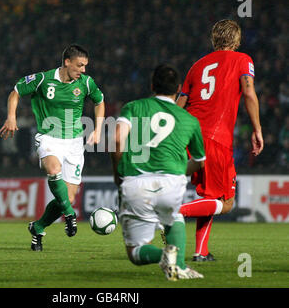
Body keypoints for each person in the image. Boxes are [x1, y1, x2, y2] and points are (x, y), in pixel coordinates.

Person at [0, 44, 105, 251]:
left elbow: (99, 101)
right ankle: (70, 213)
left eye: (85, 66)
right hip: (48, 137)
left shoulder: (86, 82)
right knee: (53, 170)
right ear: (67, 62)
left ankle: (38, 227)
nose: (83, 70)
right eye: (79, 65)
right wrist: (11, 117)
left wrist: (98, 129)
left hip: (74, 143)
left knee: (69, 196)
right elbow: (15, 92)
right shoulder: (42, 79)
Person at [176, 19, 264, 261]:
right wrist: (257, 129)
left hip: (189, 137)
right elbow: (248, 92)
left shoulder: (197, 66)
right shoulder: (242, 60)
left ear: (214, 39)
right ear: (236, 40)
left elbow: (179, 105)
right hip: (215, 138)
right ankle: (173, 213)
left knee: (210, 196)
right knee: (226, 202)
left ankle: (200, 252)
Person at [111, 64, 205, 280]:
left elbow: (117, 139)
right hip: (171, 182)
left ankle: (165, 255)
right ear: (179, 89)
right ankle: (178, 265)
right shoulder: (189, 120)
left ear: (152, 85)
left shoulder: (133, 107)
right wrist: (179, 172)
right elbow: (199, 162)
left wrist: (118, 173)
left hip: (136, 182)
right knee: (174, 216)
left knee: (135, 252)